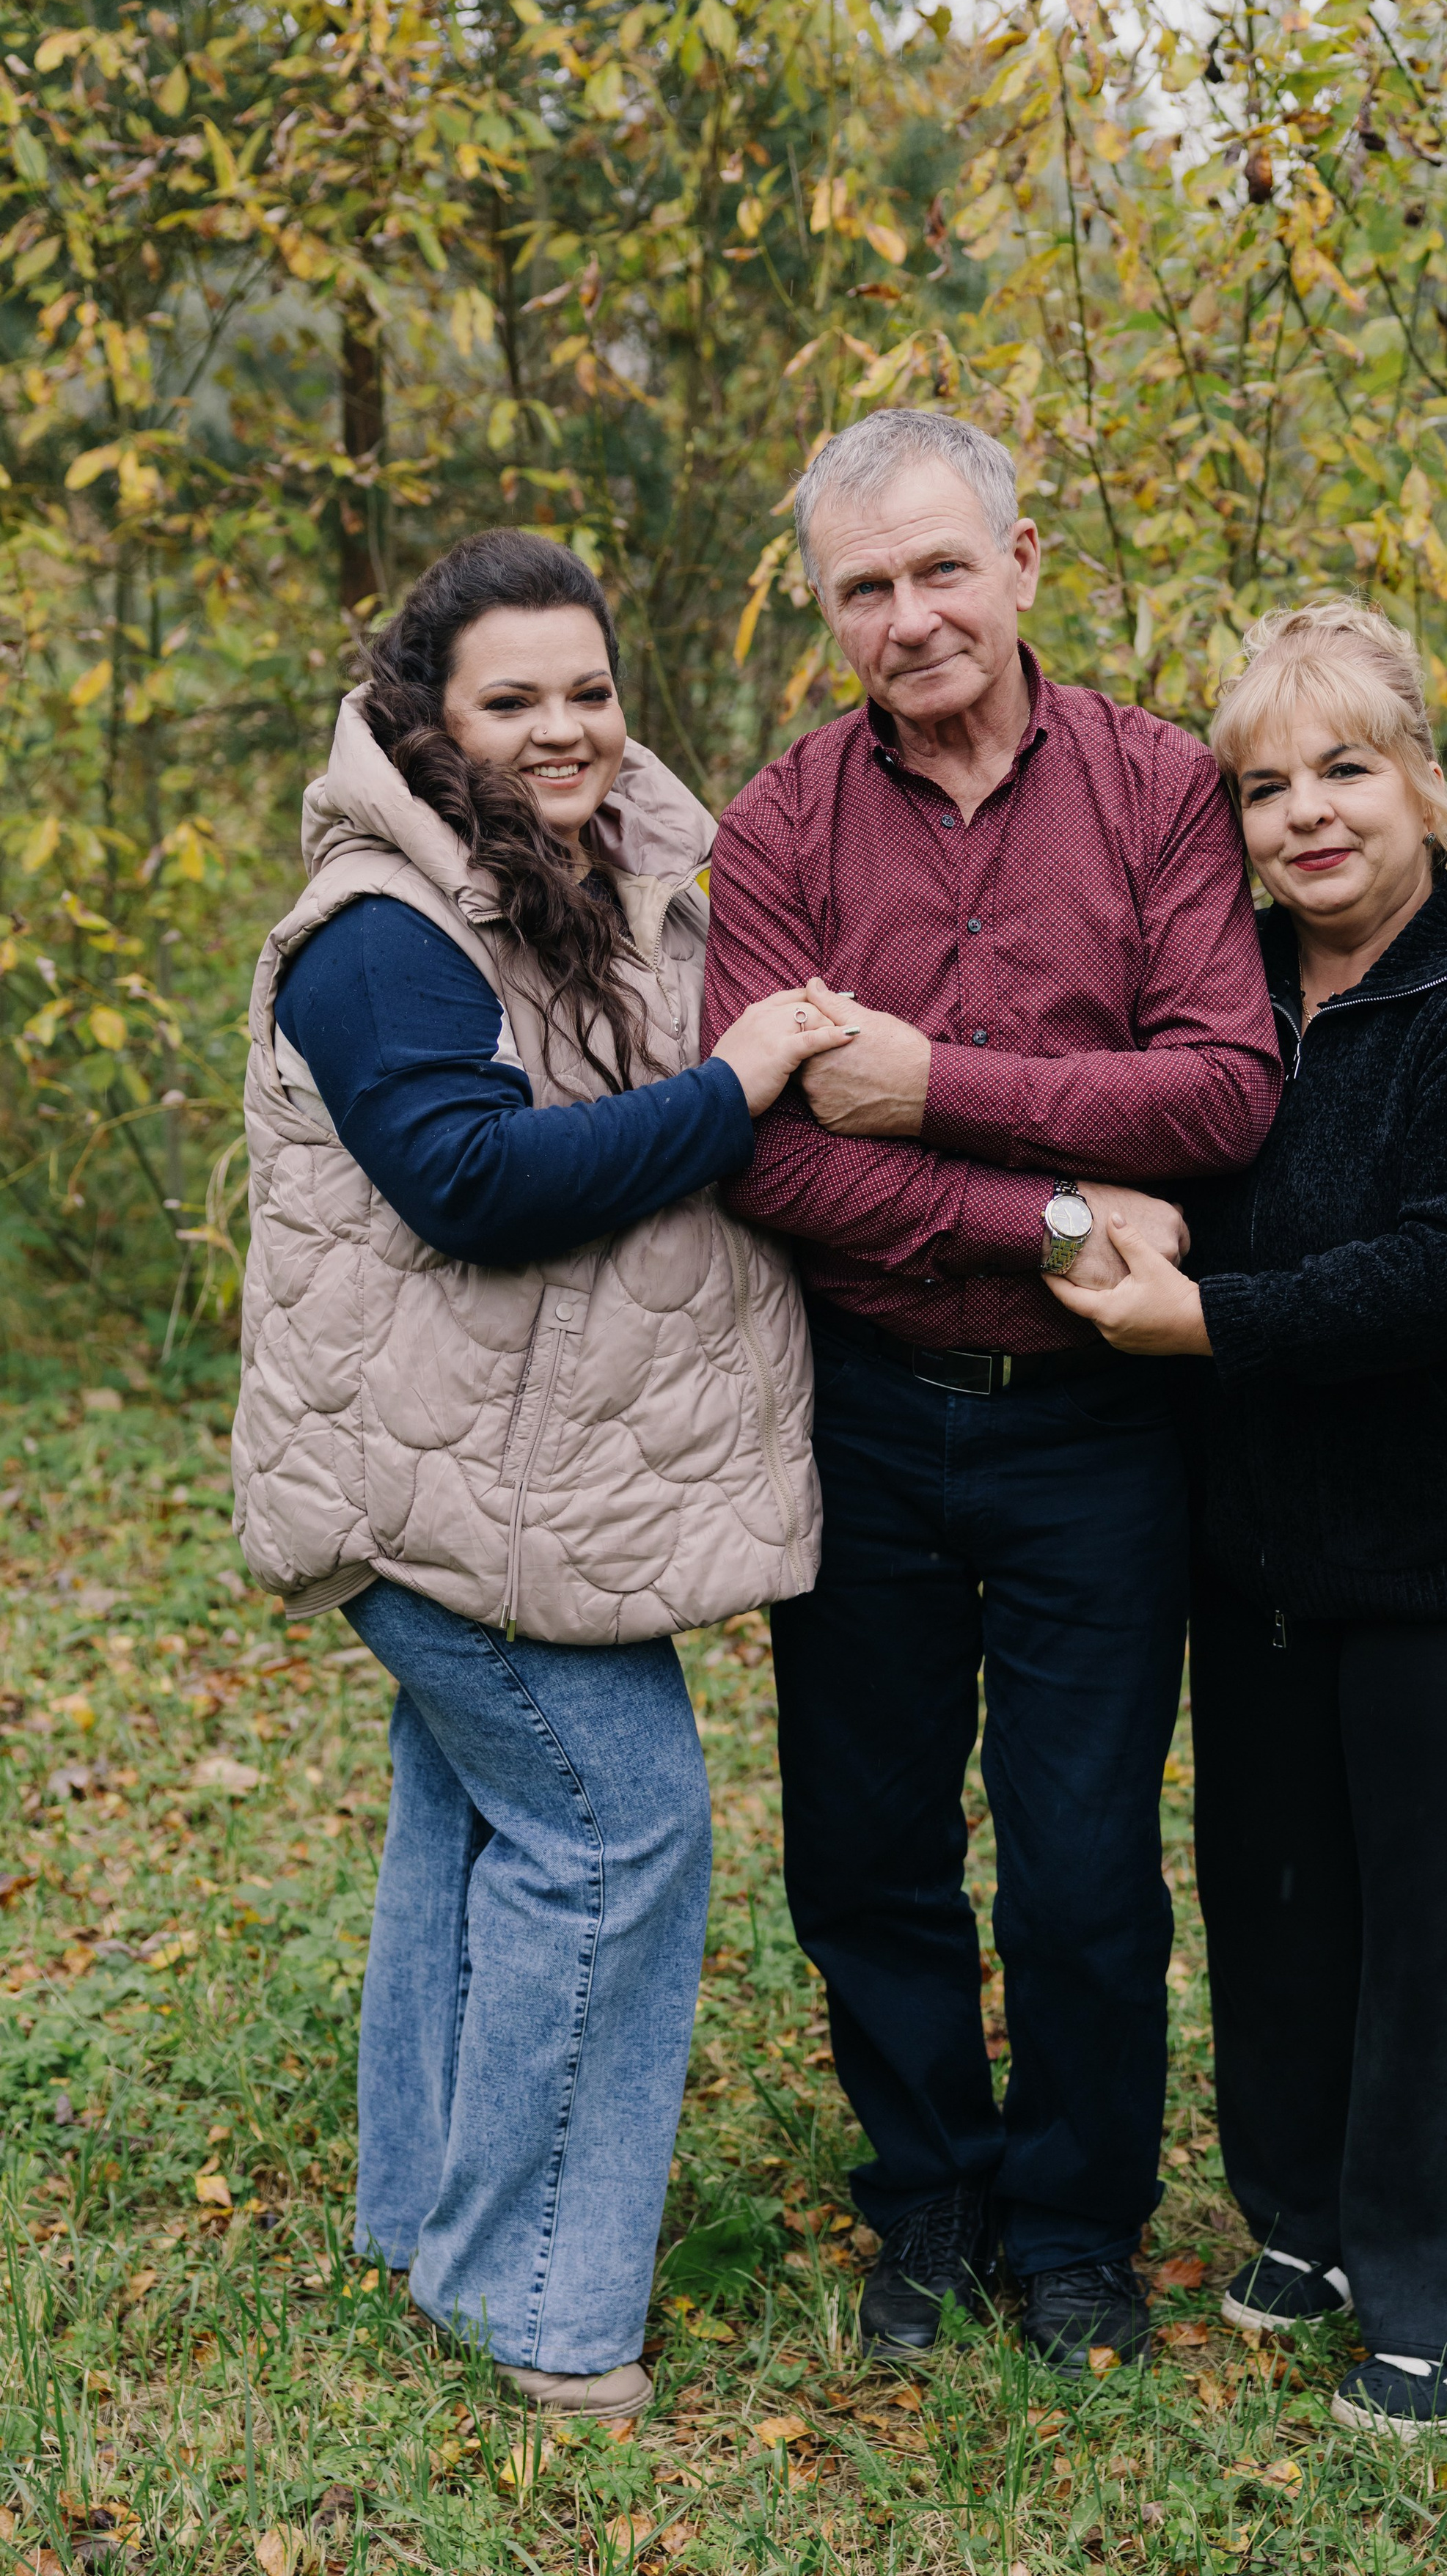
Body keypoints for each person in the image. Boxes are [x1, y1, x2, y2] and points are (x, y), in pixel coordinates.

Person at [231, 529, 856, 2418]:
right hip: (431, 1494)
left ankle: (423, 2212)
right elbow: (474, 1184)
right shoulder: (379, 933)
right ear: (427, 719)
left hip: (511, 1478)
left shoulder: (601, 877)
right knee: (615, 1824)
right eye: (513, 699)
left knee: (474, 1817)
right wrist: (737, 1086)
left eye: (588, 689)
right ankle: (533, 2301)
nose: (565, 727)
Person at [701, 408, 1283, 2368]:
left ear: (1022, 563)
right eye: (865, 586)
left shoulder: (1155, 788)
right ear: (826, 610)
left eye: (943, 567)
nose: (912, 616)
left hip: (1095, 1425)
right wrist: (1049, 1204)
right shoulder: (780, 827)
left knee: (1083, 1859)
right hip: (862, 1406)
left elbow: (1220, 1088)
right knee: (865, 1845)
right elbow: (767, 1156)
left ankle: (1077, 2225)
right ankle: (931, 2195)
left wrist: (929, 1086)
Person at [1047, 598, 1447, 2437]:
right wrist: (1132, 1221)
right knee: (1280, 1896)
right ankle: (1309, 2216)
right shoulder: (1232, 1003)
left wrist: (1204, 1317)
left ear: (1421, 783)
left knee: (1445, 1927)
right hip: (1266, 1545)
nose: (1305, 814)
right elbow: (1170, 1160)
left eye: (1344, 769)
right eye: (1264, 784)